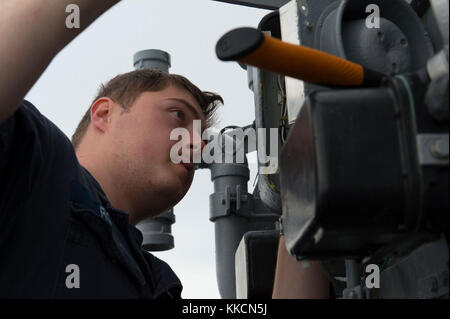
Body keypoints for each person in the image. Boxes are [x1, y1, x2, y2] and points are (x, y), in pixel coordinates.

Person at [0, 0, 329, 299]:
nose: (198, 145)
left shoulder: (159, 284)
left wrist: (304, 203)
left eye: (201, 133)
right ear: (104, 113)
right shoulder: (37, 164)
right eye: (177, 115)